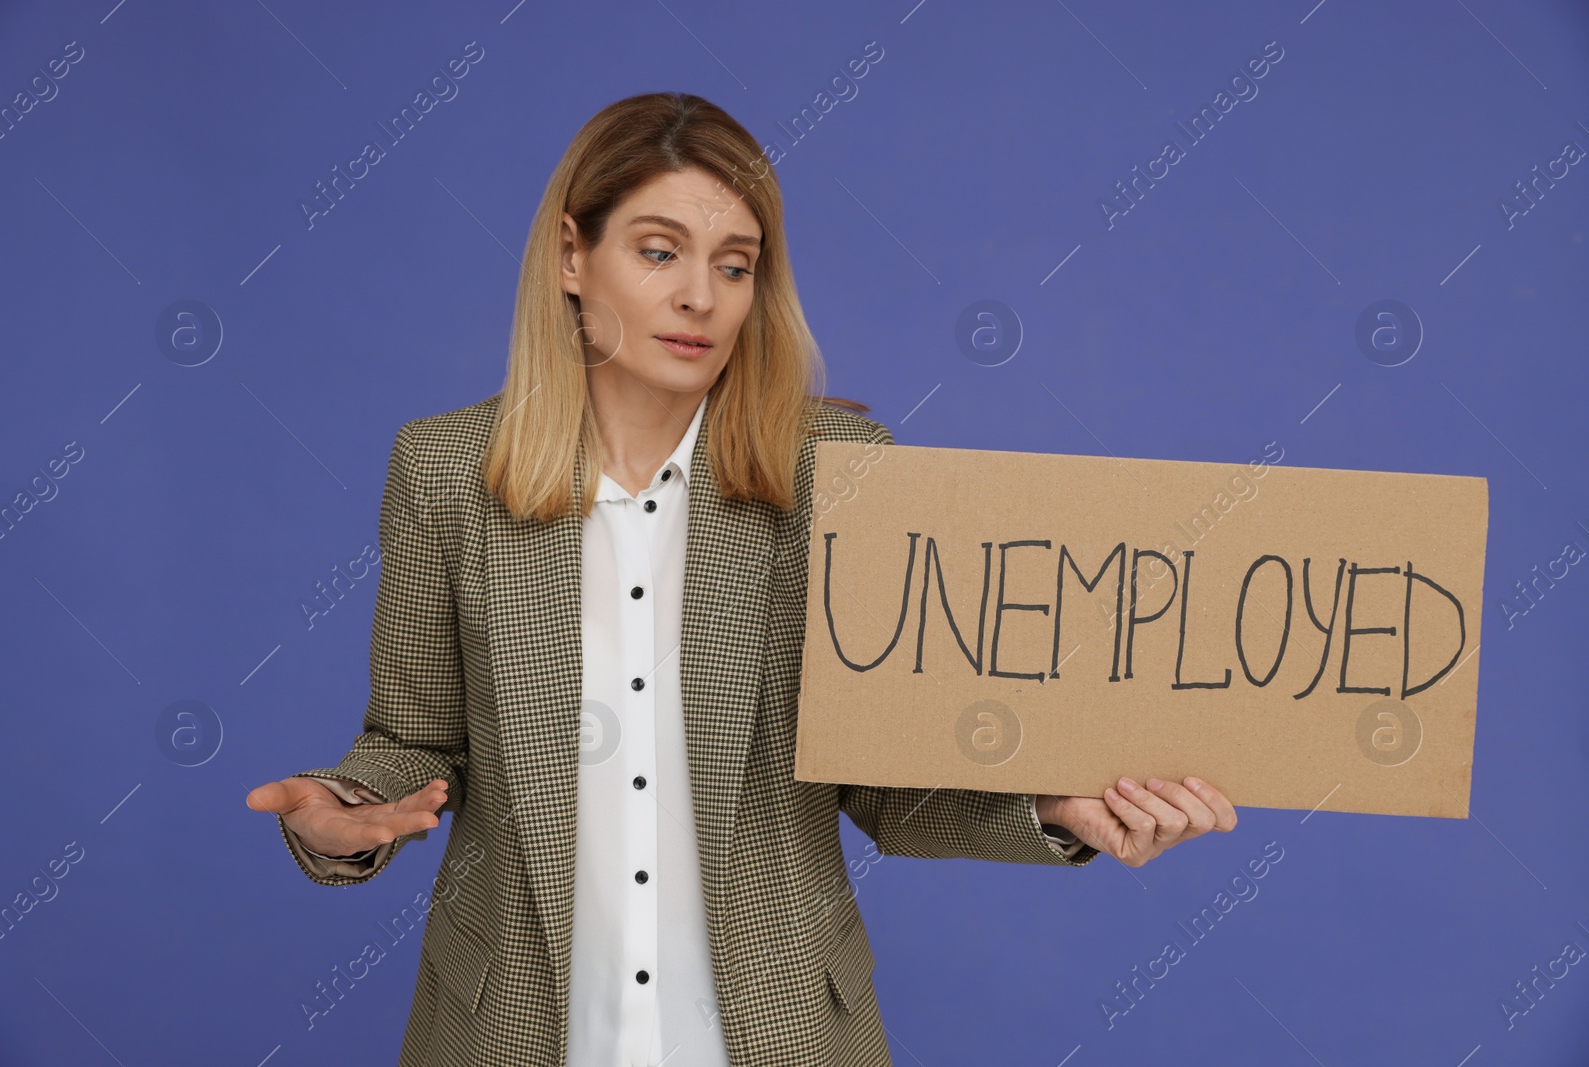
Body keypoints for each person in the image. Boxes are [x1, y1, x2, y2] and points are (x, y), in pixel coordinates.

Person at [245, 91, 1236, 1067]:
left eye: (735, 265)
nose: (700, 297)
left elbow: (882, 783)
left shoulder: (836, 473)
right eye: (659, 250)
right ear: (569, 255)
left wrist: (1057, 809)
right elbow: (416, 739)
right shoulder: (444, 472)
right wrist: (343, 816)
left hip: (780, 1031)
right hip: (511, 1030)